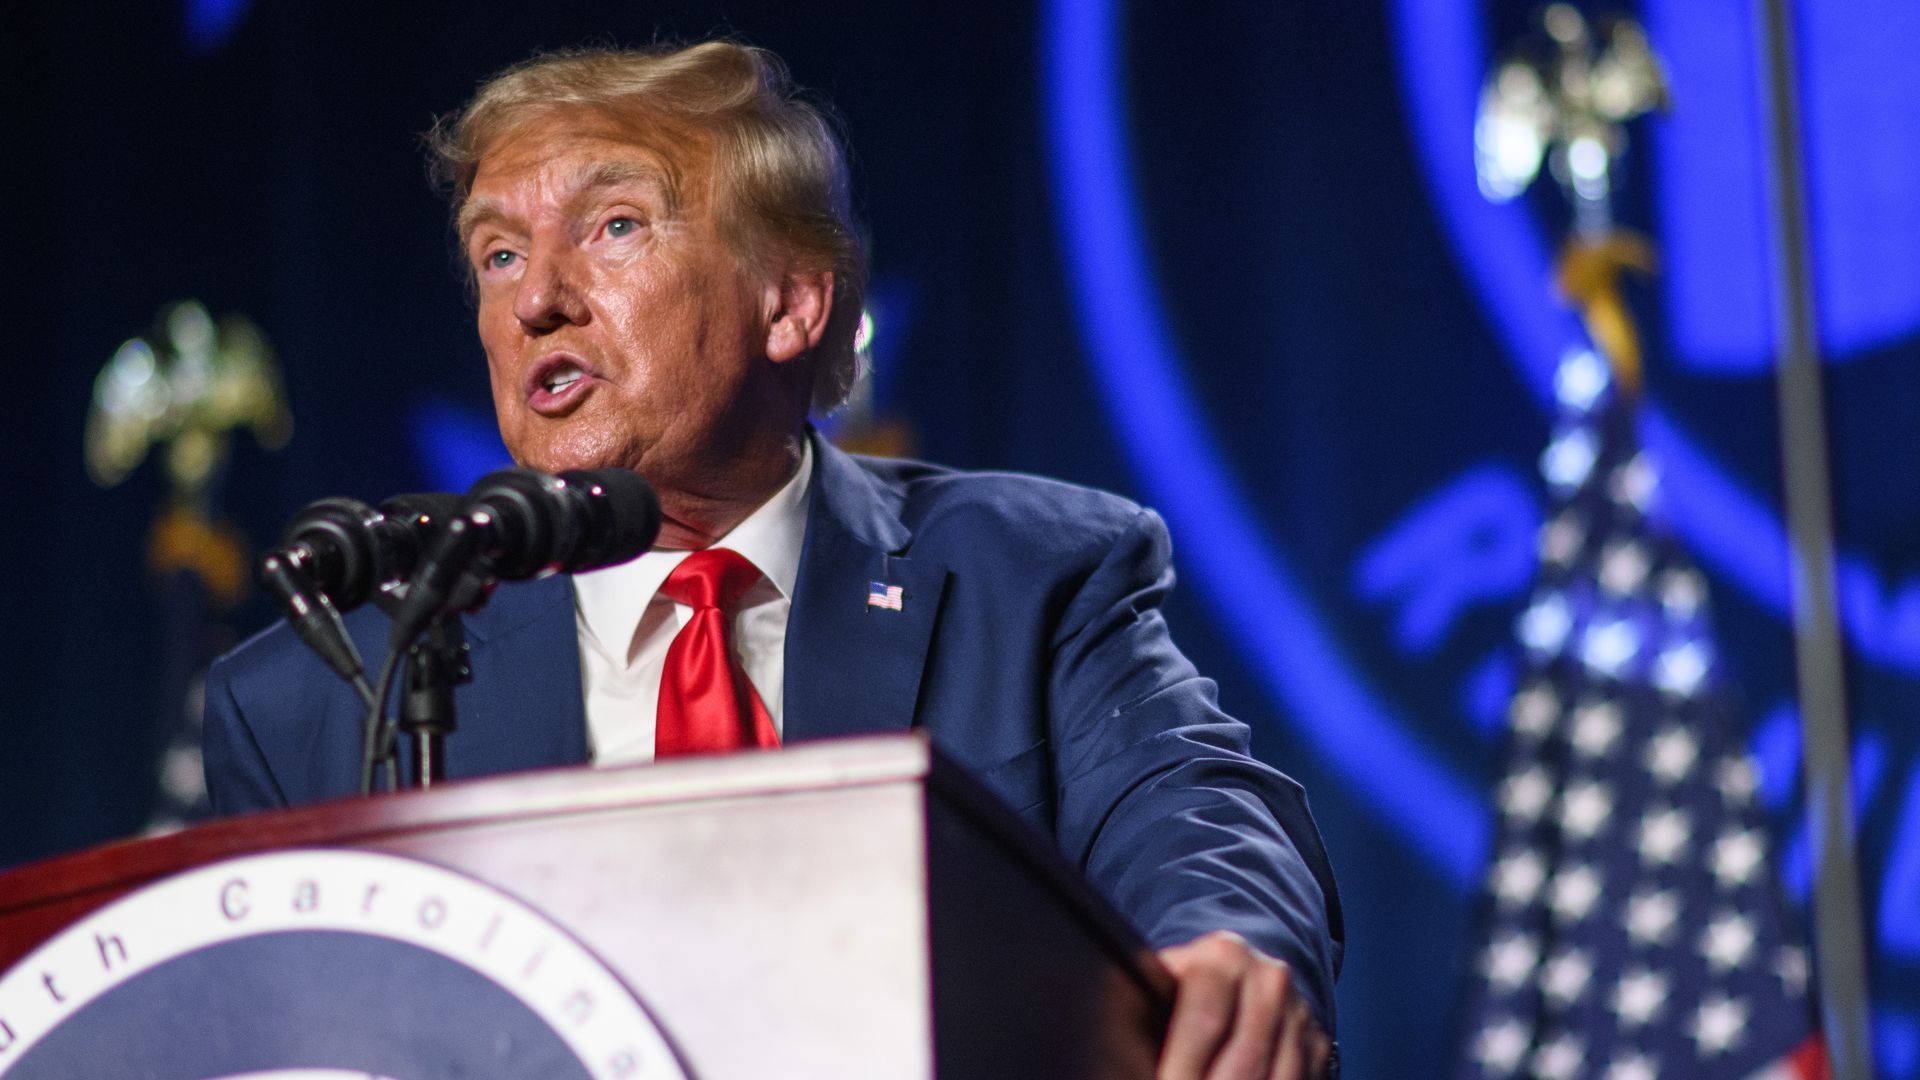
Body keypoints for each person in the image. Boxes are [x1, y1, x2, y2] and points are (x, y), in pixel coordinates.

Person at [204, 41, 1342, 1080]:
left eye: (613, 228)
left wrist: (1226, 948)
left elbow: (1194, 812)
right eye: (498, 254)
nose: (536, 301)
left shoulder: (1024, 577)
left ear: (792, 303)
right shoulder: (320, 695)